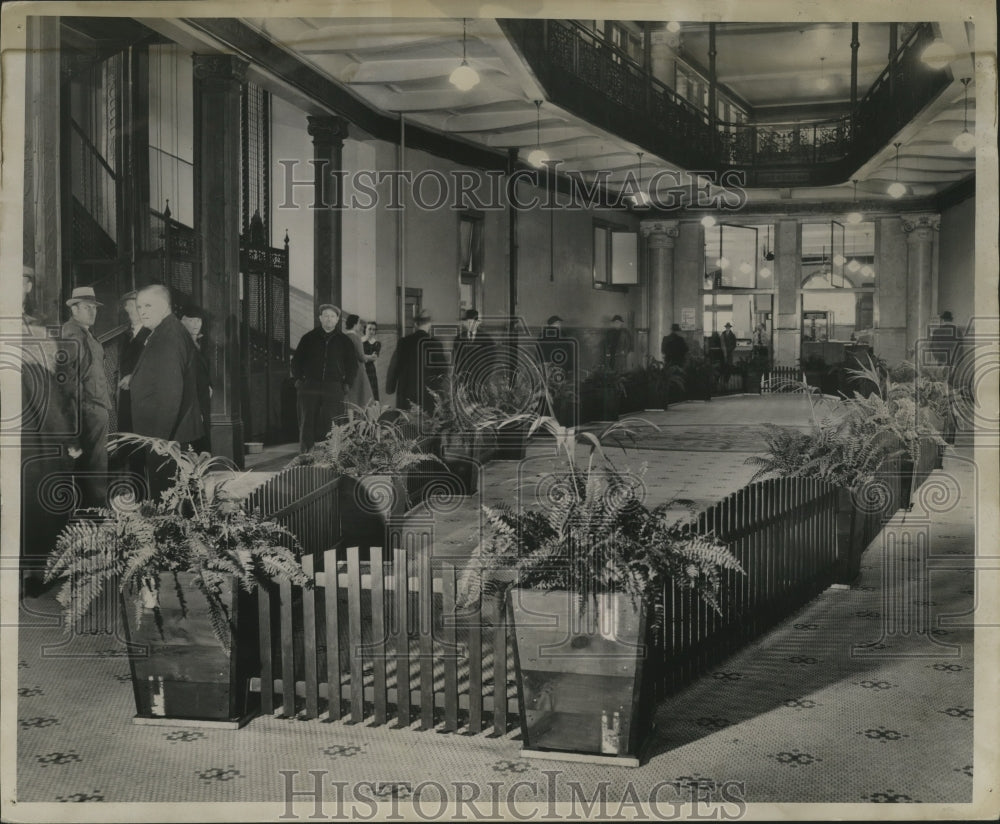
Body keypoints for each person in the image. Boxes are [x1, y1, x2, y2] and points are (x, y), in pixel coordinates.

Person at [129, 285, 205, 498]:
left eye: (148, 305)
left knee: (167, 498)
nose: (142, 311)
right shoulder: (166, 331)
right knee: (175, 498)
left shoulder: (168, 336)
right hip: (169, 434)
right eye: (139, 306)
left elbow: (171, 393)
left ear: (165, 306)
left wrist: (159, 440)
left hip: (166, 437)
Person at [60, 286, 113, 508]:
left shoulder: (83, 332)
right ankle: (96, 516)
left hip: (91, 408)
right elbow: (69, 380)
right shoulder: (73, 334)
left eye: (94, 308)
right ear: (74, 309)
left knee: (91, 466)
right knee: (95, 466)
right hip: (88, 410)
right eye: (86, 307)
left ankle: (90, 515)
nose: (92, 312)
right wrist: (83, 410)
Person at [291, 304, 357, 453]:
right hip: (310, 386)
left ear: (337, 319)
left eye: (332, 316)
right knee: (307, 421)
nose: (329, 319)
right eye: (326, 316)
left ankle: (331, 456)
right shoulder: (308, 338)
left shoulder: (344, 341)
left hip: (334, 386)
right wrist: (298, 380)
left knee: (333, 422)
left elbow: (352, 365)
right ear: (320, 318)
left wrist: (347, 383)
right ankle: (306, 455)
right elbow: (296, 361)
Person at [387, 310, 446, 414]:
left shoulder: (403, 342)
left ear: (415, 324)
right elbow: (442, 371)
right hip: (428, 392)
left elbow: (394, 367)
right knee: (428, 423)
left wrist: (390, 387)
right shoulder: (436, 344)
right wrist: (438, 389)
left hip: (407, 391)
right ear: (429, 324)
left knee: (407, 425)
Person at [181, 306, 213, 454]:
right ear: (183, 321)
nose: (196, 324)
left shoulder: (202, 343)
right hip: (191, 400)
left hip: (203, 397)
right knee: (195, 439)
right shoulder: (183, 344)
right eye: (192, 320)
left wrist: (209, 386)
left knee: (203, 435)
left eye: (198, 320)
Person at [453, 309, 495, 379]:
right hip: (463, 378)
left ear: (477, 323)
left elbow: (491, 359)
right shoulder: (458, 339)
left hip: (480, 376)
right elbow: (456, 360)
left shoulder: (486, 339)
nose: (469, 325)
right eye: (467, 322)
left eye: (472, 322)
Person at [343, 314, 373, 409]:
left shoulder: (344, 336)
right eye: (359, 323)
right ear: (355, 324)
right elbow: (361, 357)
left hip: (346, 371)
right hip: (358, 371)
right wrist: (370, 357)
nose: (360, 326)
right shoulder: (356, 337)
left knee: (351, 399)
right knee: (363, 400)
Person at [362, 321, 381, 401]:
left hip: (370, 370)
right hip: (360, 369)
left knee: (372, 393)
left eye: (374, 329)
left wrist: (362, 356)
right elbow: (356, 356)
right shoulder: (360, 341)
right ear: (365, 329)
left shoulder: (376, 343)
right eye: (370, 329)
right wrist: (365, 357)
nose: (372, 331)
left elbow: (374, 357)